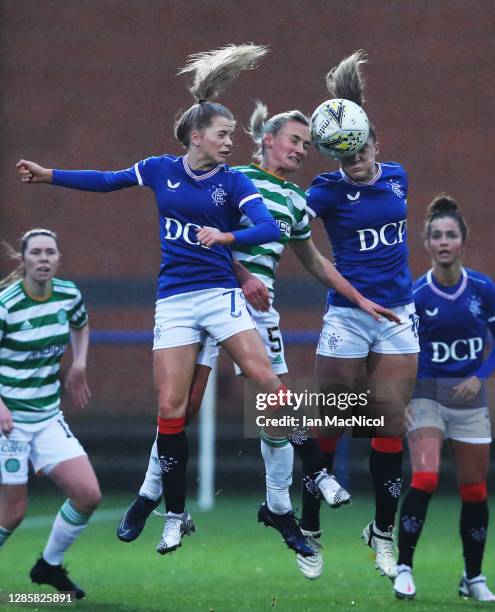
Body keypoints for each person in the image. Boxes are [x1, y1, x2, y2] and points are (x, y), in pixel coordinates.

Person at [15, 44, 344, 557]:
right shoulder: (159, 170)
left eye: (234, 134)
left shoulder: (233, 181)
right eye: (223, 134)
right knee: (172, 409)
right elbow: (107, 181)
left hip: (220, 295)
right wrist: (49, 175)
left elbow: (262, 227)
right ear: (197, 137)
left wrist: (228, 240)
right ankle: (172, 513)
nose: (231, 142)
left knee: (266, 380)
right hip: (174, 301)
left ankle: (317, 474)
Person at [115, 101, 399, 574]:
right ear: (267, 139)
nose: (302, 151)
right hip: (215, 294)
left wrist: (360, 298)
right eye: (294, 140)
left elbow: (314, 261)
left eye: (309, 145)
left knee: (272, 414)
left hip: (261, 312)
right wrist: (243, 273)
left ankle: (278, 510)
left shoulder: (293, 199)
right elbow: (198, 236)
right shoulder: (231, 178)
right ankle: (150, 497)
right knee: (181, 408)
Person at [303, 50, 419, 580]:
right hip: (347, 314)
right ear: (333, 157)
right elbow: (291, 227)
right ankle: (308, 524)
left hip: (396, 314)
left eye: (362, 151)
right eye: (344, 158)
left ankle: (381, 533)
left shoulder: (397, 177)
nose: (356, 163)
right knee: (330, 413)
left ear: (376, 142)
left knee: (390, 423)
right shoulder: (325, 190)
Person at [393, 196, 495, 601]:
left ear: (463, 241)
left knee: (474, 489)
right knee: (426, 477)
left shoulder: (484, 289)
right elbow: (401, 354)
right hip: (426, 397)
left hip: (470, 400)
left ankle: (473, 577)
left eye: (451, 234)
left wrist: (480, 375)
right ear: (427, 243)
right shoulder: (417, 296)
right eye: (436, 235)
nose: (444, 241)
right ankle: (403, 568)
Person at [0, 229, 101, 599]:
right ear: (23, 260)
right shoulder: (7, 304)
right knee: (12, 514)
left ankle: (49, 565)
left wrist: (80, 363)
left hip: (47, 417)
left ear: (58, 259)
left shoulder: (68, 294)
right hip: (9, 426)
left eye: (50, 253)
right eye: (36, 253)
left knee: (87, 494)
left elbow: (81, 323)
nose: (43, 259)